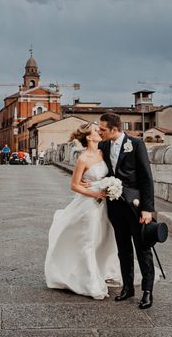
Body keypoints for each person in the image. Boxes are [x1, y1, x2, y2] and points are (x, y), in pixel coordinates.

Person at [44, 122, 121, 300]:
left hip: (105, 203)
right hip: (90, 204)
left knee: (105, 238)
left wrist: (110, 186)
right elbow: (74, 185)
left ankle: (103, 269)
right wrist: (95, 192)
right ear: (89, 137)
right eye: (96, 130)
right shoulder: (83, 158)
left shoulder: (104, 151)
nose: (100, 132)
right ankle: (91, 282)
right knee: (89, 240)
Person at [98, 112, 155, 310]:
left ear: (114, 129)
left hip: (135, 206)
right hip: (115, 206)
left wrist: (148, 209)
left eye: (102, 129)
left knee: (142, 248)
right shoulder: (103, 146)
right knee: (123, 248)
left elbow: (146, 177)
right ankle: (128, 287)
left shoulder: (136, 144)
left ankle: (147, 291)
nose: (99, 131)